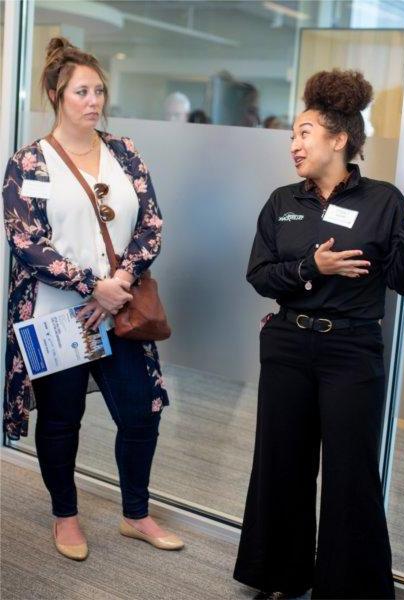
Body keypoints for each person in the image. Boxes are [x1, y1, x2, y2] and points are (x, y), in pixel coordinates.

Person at [233, 69, 404, 599]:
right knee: (281, 463)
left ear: (339, 139)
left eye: (304, 133)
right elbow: (260, 275)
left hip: (351, 351)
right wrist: (313, 267)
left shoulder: (383, 201)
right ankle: (278, 575)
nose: (294, 144)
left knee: (350, 474)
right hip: (287, 345)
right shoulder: (282, 200)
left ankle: (348, 589)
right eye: (292, 134)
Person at [2, 37, 182, 560]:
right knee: (60, 421)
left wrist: (118, 284)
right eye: (82, 91)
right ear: (57, 96)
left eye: (99, 90)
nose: (93, 100)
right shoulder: (28, 163)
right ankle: (66, 518)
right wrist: (90, 286)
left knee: (141, 414)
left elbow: (152, 223)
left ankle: (136, 514)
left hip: (121, 311)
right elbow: (25, 242)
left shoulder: (124, 152)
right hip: (57, 317)